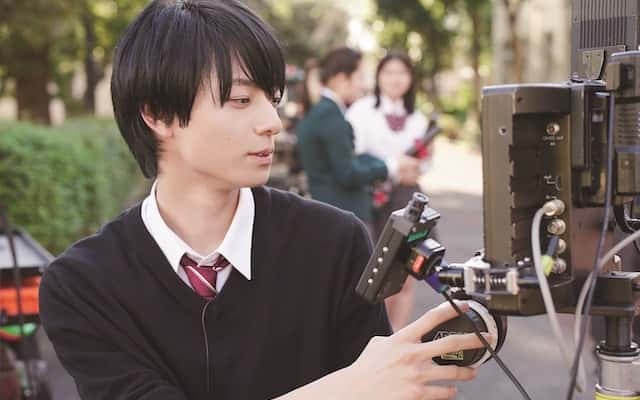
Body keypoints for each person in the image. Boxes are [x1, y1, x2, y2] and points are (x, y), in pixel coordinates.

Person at [38, 2, 486, 399]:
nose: (271, 121)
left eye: (272, 99)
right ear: (157, 113)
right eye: (240, 99)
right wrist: (347, 389)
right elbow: (366, 385)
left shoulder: (333, 242)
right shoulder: (83, 285)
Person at [346, 51, 431, 331]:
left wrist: (417, 167)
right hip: (374, 200)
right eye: (389, 72)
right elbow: (353, 154)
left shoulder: (418, 118)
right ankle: (378, 336)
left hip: (407, 198)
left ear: (411, 78)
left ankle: (398, 334)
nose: (395, 79)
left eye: (402, 73)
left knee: (406, 274)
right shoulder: (361, 111)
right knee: (377, 275)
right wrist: (392, 167)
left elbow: (425, 163)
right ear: (379, 76)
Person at [296, 47, 391, 227]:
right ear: (341, 79)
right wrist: (387, 167)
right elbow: (348, 174)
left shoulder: (321, 112)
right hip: (343, 218)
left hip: (329, 213)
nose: (362, 84)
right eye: (359, 77)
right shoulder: (330, 116)